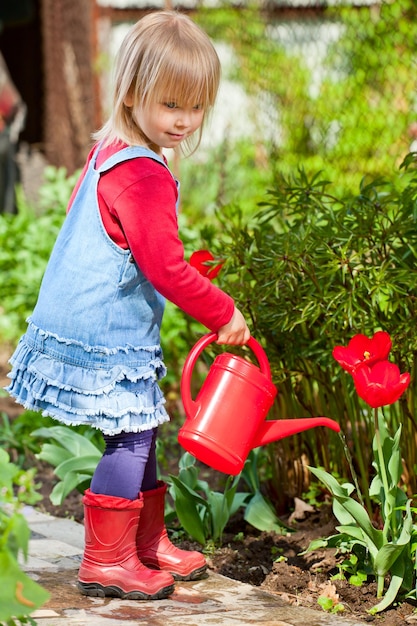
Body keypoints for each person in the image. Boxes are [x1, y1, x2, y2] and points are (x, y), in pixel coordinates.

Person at [6, 10, 250, 602]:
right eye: (171, 105)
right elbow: (166, 269)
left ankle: (145, 541)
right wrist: (224, 312)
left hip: (87, 322)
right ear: (134, 94)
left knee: (138, 426)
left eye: (196, 107)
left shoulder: (113, 152)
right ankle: (107, 558)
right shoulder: (142, 175)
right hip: (103, 333)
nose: (185, 121)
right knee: (131, 440)